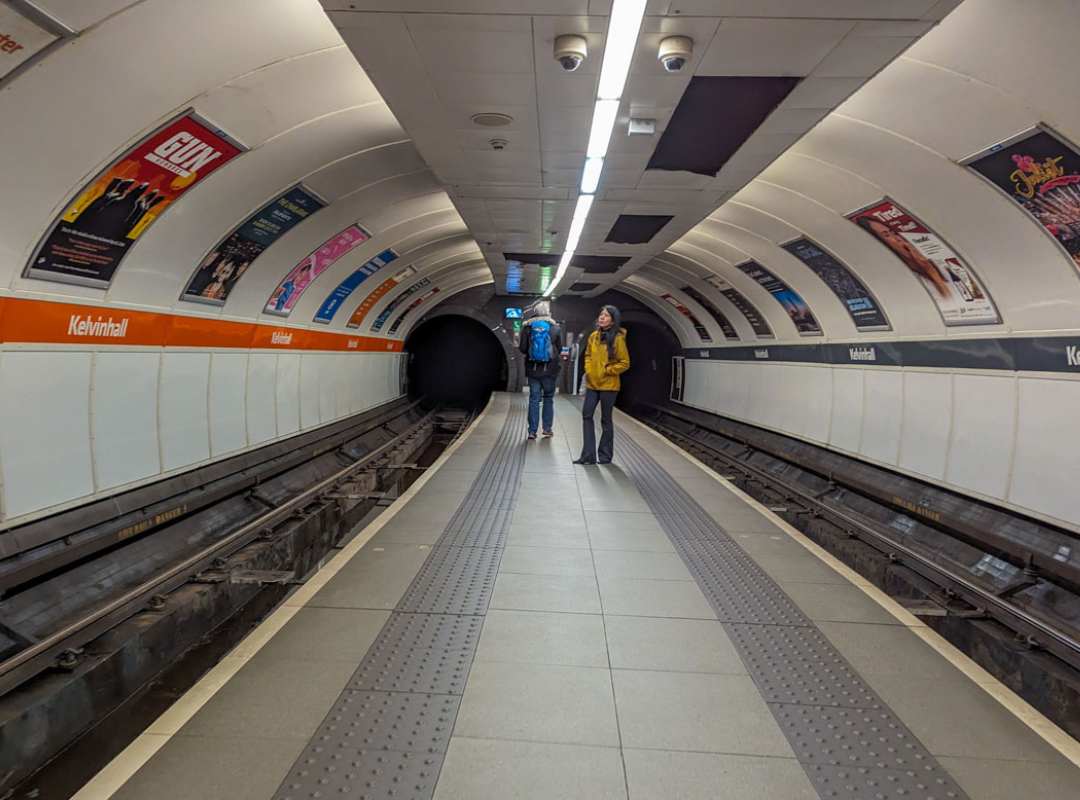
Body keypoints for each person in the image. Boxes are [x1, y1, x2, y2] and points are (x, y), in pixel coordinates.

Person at [574, 305, 630, 465]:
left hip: (609, 386)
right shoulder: (593, 336)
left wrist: (608, 370)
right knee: (586, 415)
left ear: (613, 320)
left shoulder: (618, 339)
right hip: (593, 384)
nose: (602, 317)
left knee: (606, 420)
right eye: (601, 315)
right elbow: (588, 355)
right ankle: (588, 456)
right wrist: (589, 370)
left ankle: (605, 456)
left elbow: (625, 363)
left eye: (606, 316)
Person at [518, 300, 563, 440]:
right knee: (548, 398)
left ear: (535, 312)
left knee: (534, 399)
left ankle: (532, 431)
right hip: (550, 370)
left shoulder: (527, 328)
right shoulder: (555, 328)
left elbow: (523, 349)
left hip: (533, 369)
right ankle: (547, 429)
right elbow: (559, 349)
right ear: (548, 313)